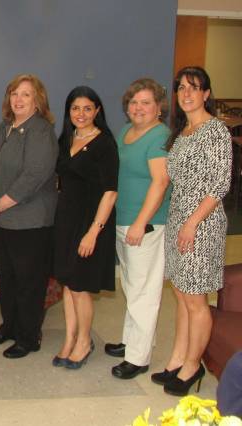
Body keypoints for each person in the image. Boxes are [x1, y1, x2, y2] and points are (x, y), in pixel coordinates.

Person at [161, 66, 232, 396]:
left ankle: (193, 366)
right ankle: (178, 358)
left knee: (195, 300)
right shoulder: (183, 132)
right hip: (179, 219)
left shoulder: (214, 130)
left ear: (206, 94)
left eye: (194, 87)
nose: (186, 93)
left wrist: (191, 223)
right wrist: (178, 222)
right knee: (182, 295)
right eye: (181, 88)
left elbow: (219, 184)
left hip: (201, 224)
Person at [0, 74, 58, 359]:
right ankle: (9, 327)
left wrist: (1, 202)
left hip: (29, 220)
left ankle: (28, 336)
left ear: (38, 100)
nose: (18, 99)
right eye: (14, 93)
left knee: (28, 281)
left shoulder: (41, 131)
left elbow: (34, 175)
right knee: (8, 278)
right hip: (0, 219)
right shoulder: (6, 127)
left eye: (26, 94)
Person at [105, 78, 171, 380]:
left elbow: (160, 182)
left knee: (144, 291)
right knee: (132, 286)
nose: (138, 108)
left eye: (146, 102)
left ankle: (139, 357)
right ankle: (132, 341)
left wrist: (140, 222)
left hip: (145, 224)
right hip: (123, 220)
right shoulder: (125, 132)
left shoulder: (159, 136)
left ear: (159, 108)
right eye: (134, 102)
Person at [52, 86, 118, 370]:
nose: (81, 114)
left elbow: (110, 192)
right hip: (66, 219)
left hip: (91, 221)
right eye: (75, 108)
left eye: (87, 108)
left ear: (97, 111)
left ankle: (84, 341)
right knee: (68, 284)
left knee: (81, 287)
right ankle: (69, 338)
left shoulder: (104, 144)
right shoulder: (66, 138)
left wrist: (94, 231)